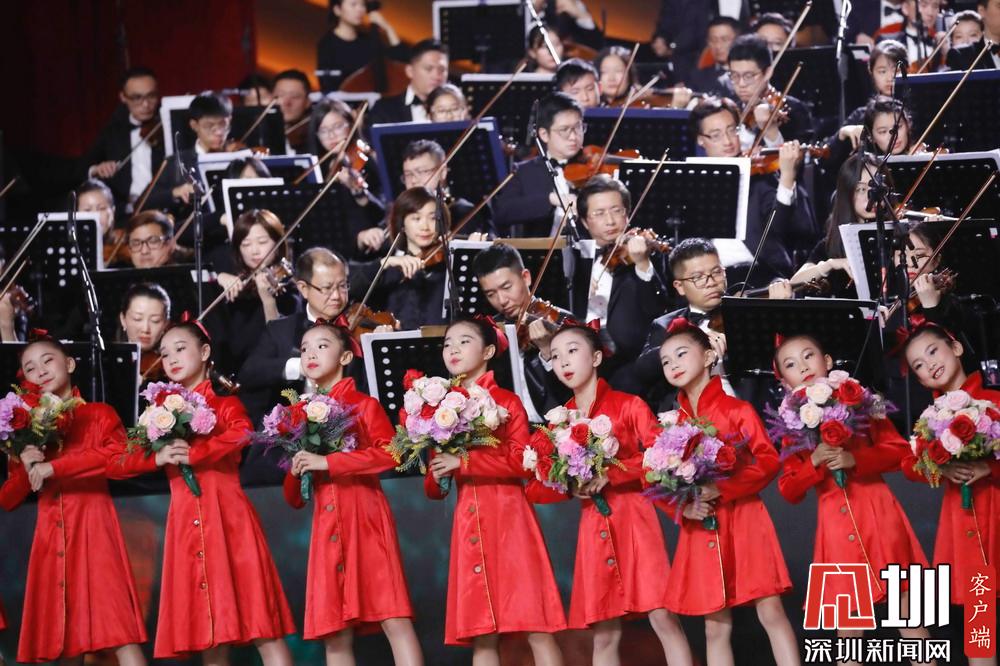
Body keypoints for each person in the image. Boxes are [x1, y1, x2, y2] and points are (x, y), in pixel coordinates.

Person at [110, 320, 295, 664]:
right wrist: (157, 457)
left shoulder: (225, 404)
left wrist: (196, 453)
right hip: (186, 525)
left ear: (205, 351)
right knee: (209, 636)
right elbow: (118, 461)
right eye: (165, 354)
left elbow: (242, 433)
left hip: (228, 520)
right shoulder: (157, 415)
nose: (171, 359)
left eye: (180, 349)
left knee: (262, 624)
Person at [527, 322, 693, 666]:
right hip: (594, 528)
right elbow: (535, 486)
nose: (563, 362)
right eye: (555, 356)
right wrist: (570, 485)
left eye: (573, 351)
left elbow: (662, 457)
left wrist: (612, 474)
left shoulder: (629, 405)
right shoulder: (559, 423)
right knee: (604, 634)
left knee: (663, 617)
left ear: (596, 358)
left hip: (635, 520)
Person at [774, 334, 934, 655]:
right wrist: (814, 461)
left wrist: (855, 459)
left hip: (879, 516)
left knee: (907, 611)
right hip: (835, 528)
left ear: (827, 361)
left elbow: (898, 452)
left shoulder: (860, 401)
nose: (803, 366)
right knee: (848, 628)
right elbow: (789, 490)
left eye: (809, 356)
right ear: (784, 381)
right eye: (790, 364)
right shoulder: (791, 426)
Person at [656, 318, 799, 666]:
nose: (673, 365)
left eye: (681, 354)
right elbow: (655, 482)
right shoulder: (672, 424)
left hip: (745, 519)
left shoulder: (737, 410)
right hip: (702, 526)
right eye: (665, 361)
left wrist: (721, 488)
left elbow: (768, 460)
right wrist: (684, 508)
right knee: (715, 627)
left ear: (708, 356)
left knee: (770, 610)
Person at [425, 316, 566, 665]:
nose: (453, 349)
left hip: (510, 521)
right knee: (482, 635)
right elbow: (434, 488)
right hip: (468, 523)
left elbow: (521, 463)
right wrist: (439, 472)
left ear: (488, 351)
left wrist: (464, 462)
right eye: (447, 343)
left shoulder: (507, 402)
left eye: (464, 341)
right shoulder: (438, 411)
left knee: (536, 625)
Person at [1, 333, 147, 665]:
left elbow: (120, 461)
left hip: (95, 532)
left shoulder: (99, 414)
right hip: (51, 539)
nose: (40, 371)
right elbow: (8, 499)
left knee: (120, 632)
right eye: (30, 368)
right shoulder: (27, 429)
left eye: (48, 361)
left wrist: (56, 467)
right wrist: (26, 467)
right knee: (62, 642)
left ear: (69, 363)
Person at [285, 319, 423, 666]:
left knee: (393, 617)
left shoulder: (363, 405)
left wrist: (329, 462)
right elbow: (294, 498)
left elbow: (390, 454)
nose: (311, 354)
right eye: (304, 348)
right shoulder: (298, 415)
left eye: (322, 346)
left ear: (346, 356)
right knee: (335, 632)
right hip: (326, 527)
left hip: (365, 518)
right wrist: (297, 469)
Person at [899, 322, 1000, 652]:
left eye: (933, 351)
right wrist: (942, 468)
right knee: (979, 633)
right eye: (919, 365)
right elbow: (908, 464)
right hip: (965, 528)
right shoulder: (931, 420)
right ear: (919, 380)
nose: (929, 364)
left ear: (955, 347)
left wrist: (989, 467)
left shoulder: (994, 400)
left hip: (995, 516)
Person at [691, 97, 820, 283]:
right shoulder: (695, 182)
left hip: (761, 273)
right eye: (716, 135)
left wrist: (787, 177)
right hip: (710, 277)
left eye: (732, 130)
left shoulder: (759, 176)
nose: (728, 141)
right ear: (700, 140)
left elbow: (778, 228)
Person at [239, 248, 352, 427]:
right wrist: (299, 366)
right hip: (291, 430)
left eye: (343, 286)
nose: (337, 296)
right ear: (303, 289)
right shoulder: (280, 329)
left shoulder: (357, 328)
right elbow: (250, 373)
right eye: (327, 288)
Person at [571, 175, 670, 379]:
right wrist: (579, 292)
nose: (610, 221)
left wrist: (642, 264)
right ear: (585, 222)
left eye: (617, 210)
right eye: (599, 213)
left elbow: (659, 310)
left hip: (630, 358)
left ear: (627, 213)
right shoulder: (573, 258)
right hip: (581, 351)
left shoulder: (646, 251)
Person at [472, 243, 573, 419]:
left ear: (526, 277)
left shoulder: (563, 321)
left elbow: (573, 392)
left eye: (506, 287)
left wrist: (547, 350)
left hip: (555, 424)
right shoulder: (492, 330)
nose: (502, 300)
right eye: (491, 294)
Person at [214, 210, 302, 376]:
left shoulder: (288, 290)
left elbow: (281, 346)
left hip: (269, 375)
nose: (254, 251)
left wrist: (268, 301)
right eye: (245, 244)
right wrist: (218, 278)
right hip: (232, 372)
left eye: (262, 242)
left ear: (278, 242)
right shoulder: (236, 284)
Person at [350, 187, 449, 330]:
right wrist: (384, 263)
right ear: (402, 223)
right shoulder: (389, 266)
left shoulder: (449, 265)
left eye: (433, 218)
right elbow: (350, 289)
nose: (425, 226)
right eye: (416, 218)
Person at [493, 93, 584, 238]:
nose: (573, 137)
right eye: (564, 130)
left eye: (578, 127)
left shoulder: (594, 169)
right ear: (544, 134)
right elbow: (503, 212)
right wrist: (551, 199)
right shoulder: (523, 171)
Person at [306, 98, 386, 257]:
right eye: (323, 130)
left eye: (338, 127)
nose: (331, 135)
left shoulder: (368, 162)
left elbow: (381, 214)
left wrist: (359, 192)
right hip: (327, 246)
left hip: (367, 246)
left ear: (350, 125)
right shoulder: (314, 169)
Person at [81, 66, 164, 215]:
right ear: (123, 97)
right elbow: (84, 166)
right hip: (125, 212)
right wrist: (97, 169)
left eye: (151, 96)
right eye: (137, 98)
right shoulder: (113, 131)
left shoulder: (167, 125)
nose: (146, 104)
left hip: (162, 208)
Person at [145, 93, 233, 217]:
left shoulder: (239, 157)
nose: (218, 132)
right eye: (209, 126)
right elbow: (146, 201)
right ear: (194, 125)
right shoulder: (177, 162)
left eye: (223, 124)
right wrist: (176, 192)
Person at [724, 35, 814, 148]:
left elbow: (802, 156)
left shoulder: (794, 111)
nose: (741, 84)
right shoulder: (731, 111)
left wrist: (771, 131)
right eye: (734, 75)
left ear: (768, 73)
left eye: (748, 76)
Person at [399, 139, 493, 236]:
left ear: (443, 172)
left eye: (422, 172)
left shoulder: (463, 212)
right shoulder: (401, 213)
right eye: (408, 174)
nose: (413, 180)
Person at [316, 0, 404, 92]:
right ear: (337, 10)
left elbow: (400, 62)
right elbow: (327, 86)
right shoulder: (327, 45)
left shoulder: (369, 41)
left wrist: (388, 28)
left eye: (363, 5)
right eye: (353, 4)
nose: (360, 9)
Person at [369, 39, 449, 125]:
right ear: (410, 71)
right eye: (428, 68)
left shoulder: (456, 109)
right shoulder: (383, 109)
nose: (436, 75)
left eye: (442, 69)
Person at [118, 281, 172, 380]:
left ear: (166, 324)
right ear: (123, 319)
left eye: (155, 320)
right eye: (137, 318)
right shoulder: (105, 360)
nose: (145, 329)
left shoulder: (169, 364)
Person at [875, 0, 945, 67]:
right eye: (923, 5)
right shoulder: (887, 42)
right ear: (905, 8)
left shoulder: (939, 44)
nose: (930, 13)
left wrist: (946, 52)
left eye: (935, 6)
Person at [688, 16, 742, 98]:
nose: (718, 46)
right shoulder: (697, 77)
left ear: (738, 40)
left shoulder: (749, 74)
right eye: (713, 40)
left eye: (724, 39)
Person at [947, 0, 1000, 71]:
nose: (966, 41)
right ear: (982, 10)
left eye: (972, 35)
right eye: (999, 6)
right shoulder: (960, 56)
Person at [274, 69, 314, 154]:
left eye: (295, 96)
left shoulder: (314, 135)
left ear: (308, 102)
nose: (287, 102)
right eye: (280, 95)